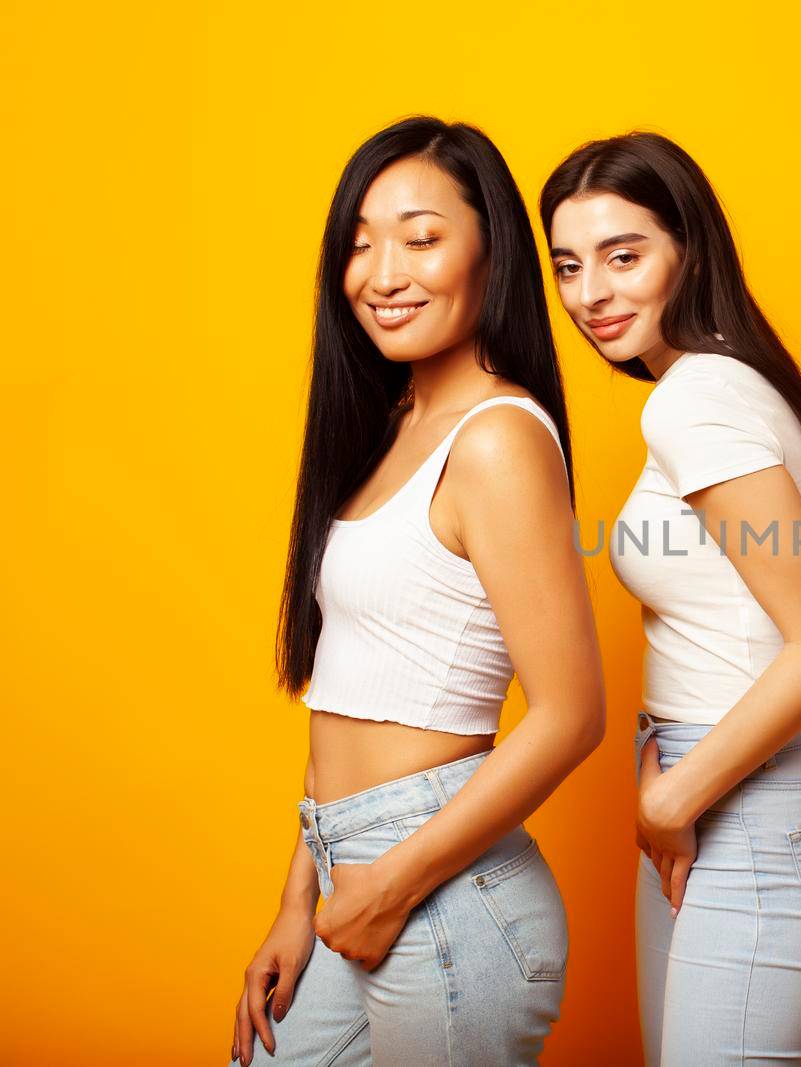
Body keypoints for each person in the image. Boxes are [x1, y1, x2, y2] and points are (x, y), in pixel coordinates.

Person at [229, 116, 604, 1066]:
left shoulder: (498, 438)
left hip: (441, 892)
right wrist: (298, 901)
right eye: (359, 243)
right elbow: (353, 694)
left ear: (492, 252)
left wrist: (391, 883)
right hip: (348, 871)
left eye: (421, 238)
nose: (383, 273)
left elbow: (570, 714)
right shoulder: (394, 424)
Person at [540, 131, 801, 1066]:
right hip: (723, 799)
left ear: (690, 246)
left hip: (745, 816)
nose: (590, 294)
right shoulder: (728, 379)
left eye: (624, 255)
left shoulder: (698, 397)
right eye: (568, 265)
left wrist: (671, 796)